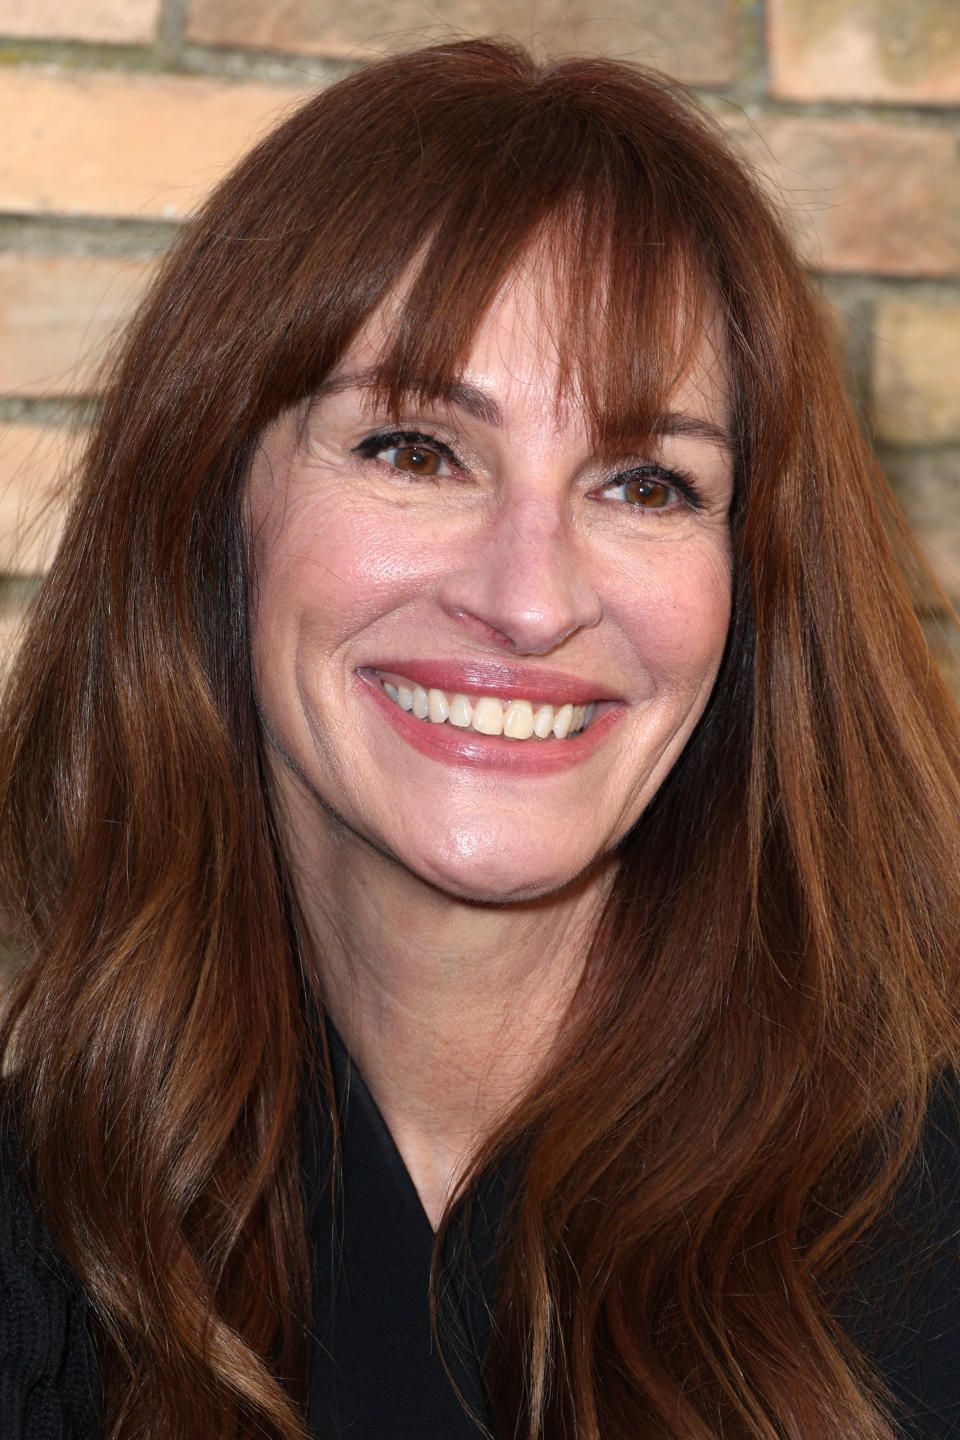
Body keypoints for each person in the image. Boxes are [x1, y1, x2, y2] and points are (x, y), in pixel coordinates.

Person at [2, 34, 960, 1440]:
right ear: (210, 510)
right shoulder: (40, 1245)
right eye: (414, 450)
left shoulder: (931, 1246)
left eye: (646, 482)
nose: (528, 598)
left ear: (753, 596)